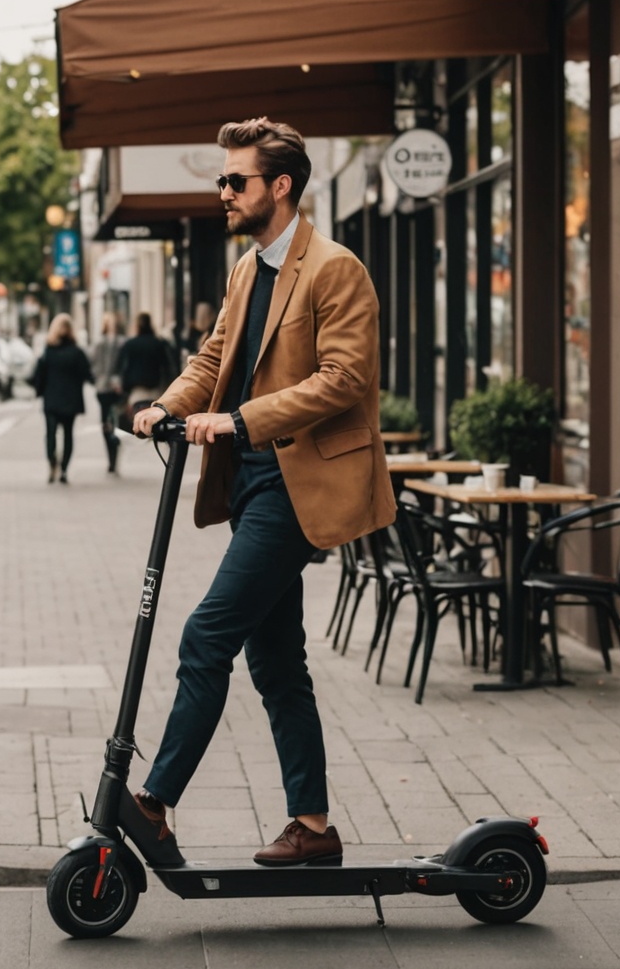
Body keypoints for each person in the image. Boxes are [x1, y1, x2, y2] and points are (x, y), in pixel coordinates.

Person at [130, 117, 394, 868]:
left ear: (279, 187)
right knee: (277, 660)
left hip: (299, 484)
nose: (223, 192)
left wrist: (235, 421)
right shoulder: (250, 268)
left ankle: (153, 803)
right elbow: (214, 355)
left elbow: (344, 380)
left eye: (234, 180)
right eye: (220, 179)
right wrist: (170, 406)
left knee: (206, 636)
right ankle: (312, 828)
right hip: (252, 486)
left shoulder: (335, 269)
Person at [30, 313, 93, 484]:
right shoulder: (77, 352)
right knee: (68, 435)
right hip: (71, 400)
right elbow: (87, 374)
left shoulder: (48, 352)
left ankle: (52, 463)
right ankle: (64, 469)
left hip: (51, 399)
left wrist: (38, 391)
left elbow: (38, 376)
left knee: (50, 434)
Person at [114, 311, 178, 418]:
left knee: (138, 424)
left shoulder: (130, 344)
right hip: (157, 392)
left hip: (136, 394)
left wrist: (123, 390)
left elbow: (121, 368)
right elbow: (168, 368)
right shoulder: (159, 343)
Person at [90, 312, 126, 475]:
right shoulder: (100, 343)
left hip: (117, 388)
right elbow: (94, 364)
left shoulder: (122, 342)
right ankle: (111, 457)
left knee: (117, 421)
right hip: (103, 388)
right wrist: (98, 379)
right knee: (105, 423)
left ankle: (115, 449)